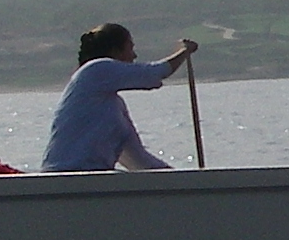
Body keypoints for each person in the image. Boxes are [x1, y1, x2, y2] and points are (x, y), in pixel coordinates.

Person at [41, 24, 198, 172]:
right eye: (130, 48)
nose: (134, 55)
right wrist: (185, 51)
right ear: (115, 50)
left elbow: (138, 160)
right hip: (64, 175)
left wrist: (183, 180)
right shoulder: (95, 70)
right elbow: (154, 73)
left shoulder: (114, 109)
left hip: (93, 177)